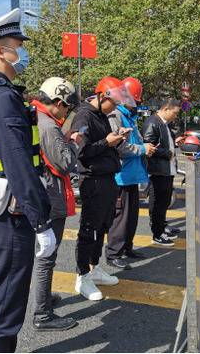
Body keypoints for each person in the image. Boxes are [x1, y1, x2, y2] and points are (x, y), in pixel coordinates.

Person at [0, 8, 56, 352]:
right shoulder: (3, 98)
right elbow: (19, 166)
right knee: (4, 306)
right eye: (18, 45)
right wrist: (41, 221)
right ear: (0, 51)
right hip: (8, 214)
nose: (23, 52)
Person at [70, 76, 135, 300]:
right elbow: (82, 152)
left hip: (108, 177)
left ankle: (94, 266)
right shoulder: (84, 115)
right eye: (113, 102)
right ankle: (82, 275)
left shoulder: (101, 115)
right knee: (89, 228)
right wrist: (107, 142)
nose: (115, 107)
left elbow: (103, 143)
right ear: (101, 96)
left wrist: (116, 139)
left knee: (103, 226)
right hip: (93, 180)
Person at [30, 77, 80, 331]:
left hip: (41, 193)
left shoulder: (35, 117)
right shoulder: (48, 126)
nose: (67, 112)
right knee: (47, 255)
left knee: (45, 254)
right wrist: (73, 142)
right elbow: (66, 162)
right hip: (50, 196)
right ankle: (42, 314)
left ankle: (45, 299)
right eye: (67, 107)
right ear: (58, 102)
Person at [105, 77, 157, 269]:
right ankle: (113, 253)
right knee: (120, 218)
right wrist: (143, 149)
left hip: (133, 175)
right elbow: (119, 147)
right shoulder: (116, 116)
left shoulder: (130, 117)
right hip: (121, 176)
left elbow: (136, 141)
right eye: (136, 99)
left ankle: (127, 247)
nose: (137, 103)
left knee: (132, 217)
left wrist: (146, 147)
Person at [142, 99, 182, 246]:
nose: (175, 116)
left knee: (164, 202)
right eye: (175, 113)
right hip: (158, 170)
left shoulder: (164, 124)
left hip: (166, 169)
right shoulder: (153, 122)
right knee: (158, 202)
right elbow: (148, 146)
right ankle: (157, 234)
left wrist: (175, 143)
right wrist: (167, 153)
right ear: (166, 109)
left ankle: (162, 227)